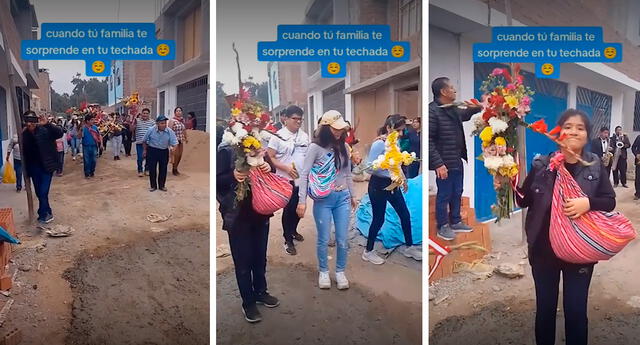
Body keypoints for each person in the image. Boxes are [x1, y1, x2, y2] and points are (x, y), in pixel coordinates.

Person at [506, 109, 615, 345]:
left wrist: (588, 203)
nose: (573, 131)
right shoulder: (542, 165)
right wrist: (505, 180)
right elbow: (523, 199)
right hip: (543, 252)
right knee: (545, 312)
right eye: (568, 126)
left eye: (580, 127)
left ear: (587, 136)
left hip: (580, 253)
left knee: (576, 313)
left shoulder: (595, 167)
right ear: (558, 132)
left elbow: (609, 201)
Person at [217, 139, 280, 323]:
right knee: (243, 262)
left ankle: (261, 292)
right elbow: (217, 180)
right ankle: (248, 302)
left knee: (260, 257)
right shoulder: (227, 151)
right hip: (238, 217)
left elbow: (272, 171)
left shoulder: (260, 148)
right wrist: (233, 175)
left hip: (261, 213)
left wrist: (269, 167)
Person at [297, 110, 356, 290]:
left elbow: (347, 173)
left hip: (343, 198)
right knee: (323, 238)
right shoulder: (315, 148)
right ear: (325, 128)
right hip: (323, 199)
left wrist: (353, 195)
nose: (338, 132)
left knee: (342, 238)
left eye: (341, 129)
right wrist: (302, 201)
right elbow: (304, 174)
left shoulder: (344, 147)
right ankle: (323, 271)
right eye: (334, 128)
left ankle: (340, 271)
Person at [362, 114, 422, 265]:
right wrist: (390, 172)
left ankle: (409, 247)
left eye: (402, 131)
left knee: (404, 214)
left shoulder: (396, 144)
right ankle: (368, 251)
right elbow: (370, 169)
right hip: (378, 187)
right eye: (398, 130)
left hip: (393, 186)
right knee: (378, 218)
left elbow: (397, 165)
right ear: (388, 128)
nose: (401, 134)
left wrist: (402, 180)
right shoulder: (379, 145)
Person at [428, 77, 481, 241]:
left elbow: (463, 115)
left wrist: (476, 108)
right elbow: (428, 140)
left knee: (457, 191)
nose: (455, 90)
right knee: (444, 194)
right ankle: (442, 226)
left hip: (456, 159)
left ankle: (456, 221)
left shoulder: (451, 109)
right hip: (444, 162)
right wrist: (438, 164)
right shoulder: (432, 111)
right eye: (451, 88)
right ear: (443, 91)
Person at [266, 105, 310, 255]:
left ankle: (293, 230)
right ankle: (287, 239)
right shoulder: (277, 136)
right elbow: (270, 157)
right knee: (289, 209)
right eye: (295, 119)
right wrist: (284, 167)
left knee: (300, 208)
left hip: (301, 180)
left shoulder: (304, 136)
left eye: (300, 119)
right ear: (286, 119)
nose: (298, 122)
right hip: (285, 181)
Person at [21, 111, 63, 223]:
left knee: (43, 192)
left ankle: (42, 214)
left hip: (46, 167)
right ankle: (48, 211)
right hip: (34, 168)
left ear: (36, 121)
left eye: (32, 121)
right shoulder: (24, 134)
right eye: (27, 121)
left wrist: (48, 124)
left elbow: (60, 133)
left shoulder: (45, 129)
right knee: (40, 193)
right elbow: (24, 153)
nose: (29, 124)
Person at [142, 115, 178, 192]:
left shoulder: (169, 132)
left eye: (165, 123)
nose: (164, 125)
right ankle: (153, 186)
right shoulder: (151, 130)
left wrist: (173, 150)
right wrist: (145, 150)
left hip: (163, 151)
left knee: (163, 169)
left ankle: (162, 186)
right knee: (152, 169)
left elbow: (175, 143)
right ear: (157, 124)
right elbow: (144, 140)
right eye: (162, 123)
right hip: (152, 151)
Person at [133, 108, 155, 177]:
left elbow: (155, 131)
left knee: (149, 158)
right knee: (140, 157)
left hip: (149, 143)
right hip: (140, 143)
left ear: (149, 114)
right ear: (141, 114)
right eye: (144, 113)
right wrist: (133, 122)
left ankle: (147, 170)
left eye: (146, 113)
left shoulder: (152, 122)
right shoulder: (137, 121)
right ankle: (140, 170)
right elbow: (131, 129)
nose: (145, 114)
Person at [169, 106, 188, 176]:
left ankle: (176, 168)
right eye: (177, 111)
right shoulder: (172, 121)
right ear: (175, 112)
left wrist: (186, 138)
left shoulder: (182, 121)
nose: (179, 112)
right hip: (175, 141)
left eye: (180, 111)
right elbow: (169, 131)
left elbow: (184, 130)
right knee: (176, 155)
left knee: (180, 155)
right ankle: (174, 169)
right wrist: (170, 141)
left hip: (181, 140)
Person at [632, 134, 640, 200]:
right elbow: (633, 147)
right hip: (639, 161)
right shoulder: (639, 137)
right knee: (638, 178)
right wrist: (636, 154)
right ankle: (637, 194)